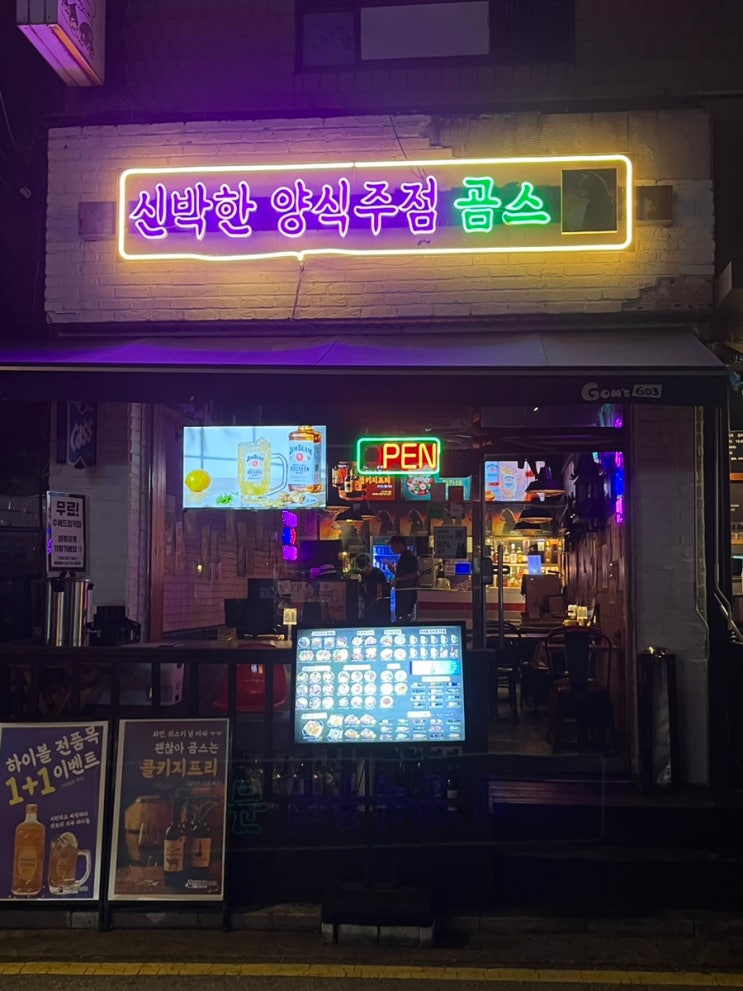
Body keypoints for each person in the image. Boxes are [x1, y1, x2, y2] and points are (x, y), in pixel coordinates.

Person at [389, 535, 419, 622]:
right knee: (400, 615)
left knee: (404, 617)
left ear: (400, 545)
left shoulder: (409, 557)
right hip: (402, 593)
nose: (392, 549)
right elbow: (404, 574)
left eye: (393, 546)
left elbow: (415, 574)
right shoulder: (403, 556)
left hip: (407, 593)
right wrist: (393, 571)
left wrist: (398, 579)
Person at [355, 554, 389, 624]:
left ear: (369, 564)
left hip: (378, 604)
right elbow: (363, 590)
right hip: (367, 603)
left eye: (366, 567)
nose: (365, 570)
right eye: (362, 568)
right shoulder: (362, 575)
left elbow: (381, 592)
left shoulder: (378, 573)